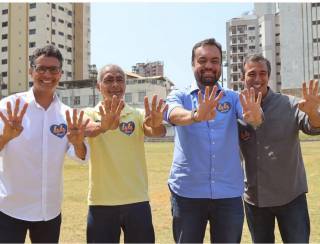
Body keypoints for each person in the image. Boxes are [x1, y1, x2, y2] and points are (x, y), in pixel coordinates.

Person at [164, 38, 263, 243]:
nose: (208, 65)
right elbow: (173, 115)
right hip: (187, 193)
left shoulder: (233, 97)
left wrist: (255, 116)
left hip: (228, 194)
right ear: (193, 64)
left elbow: (251, 117)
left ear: (220, 66)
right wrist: (195, 116)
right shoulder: (179, 95)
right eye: (202, 60)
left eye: (215, 60)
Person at [0, 45, 89, 243]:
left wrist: (78, 143)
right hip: (10, 208)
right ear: (31, 71)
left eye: (53, 69)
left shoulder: (67, 114)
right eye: (41, 68)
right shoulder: (9, 107)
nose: (47, 74)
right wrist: (6, 137)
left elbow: (82, 157)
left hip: (49, 211)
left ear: (60, 74)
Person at [238, 54, 320, 243]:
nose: (257, 79)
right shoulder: (237, 109)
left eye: (263, 73)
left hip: (291, 198)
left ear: (269, 76)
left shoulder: (289, 104)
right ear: (243, 77)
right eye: (251, 74)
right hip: (255, 200)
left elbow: (314, 126)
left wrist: (314, 112)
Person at [83, 64, 168, 243]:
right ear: (98, 86)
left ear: (125, 85)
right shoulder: (90, 113)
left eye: (119, 79)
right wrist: (103, 126)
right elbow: (87, 130)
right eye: (108, 80)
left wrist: (156, 125)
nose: (115, 84)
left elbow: (154, 130)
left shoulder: (137, 114)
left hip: (137, 201)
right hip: (101, 203)